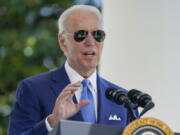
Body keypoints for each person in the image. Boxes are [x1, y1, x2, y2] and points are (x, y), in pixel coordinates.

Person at [8, 5, 138, 135]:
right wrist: (52, 122)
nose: (91, 42)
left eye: (97, 35)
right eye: (81, 35)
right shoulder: (33, 89)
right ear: (63, 42)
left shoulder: (123, 99)